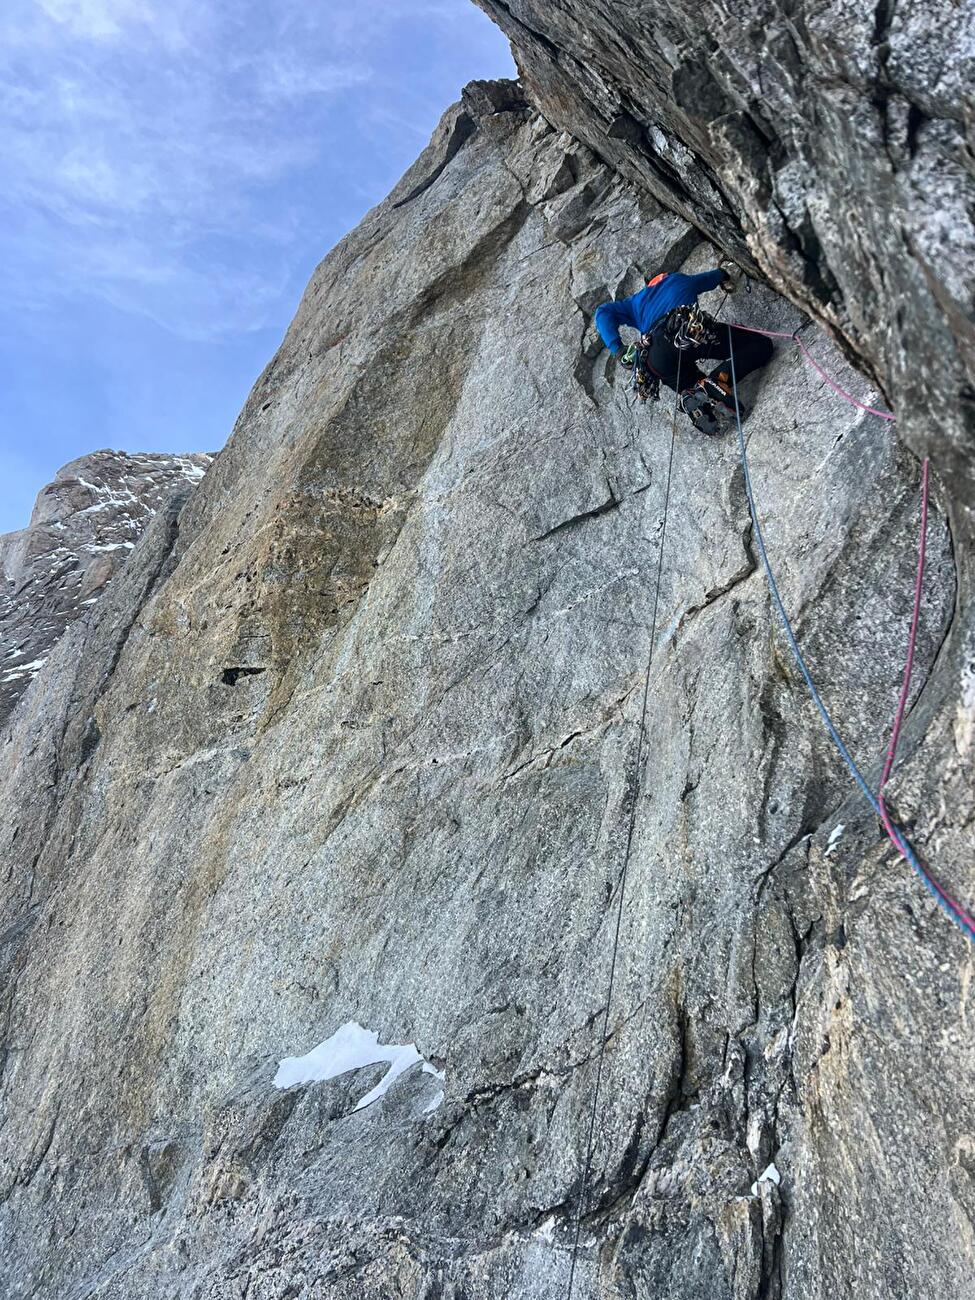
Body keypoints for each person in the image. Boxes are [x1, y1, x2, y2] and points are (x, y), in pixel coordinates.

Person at [594, 268, 774, 432]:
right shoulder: (677, 279)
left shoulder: (636, 303)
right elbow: (714, 276)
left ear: (650, 286)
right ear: (665, 277)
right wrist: (724, 274)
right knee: (759, 345)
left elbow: (602, 312)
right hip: (688, 331)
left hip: (655, 358)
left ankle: (702, 407)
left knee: (693, 388)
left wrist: (618, 350)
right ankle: (717, 381)